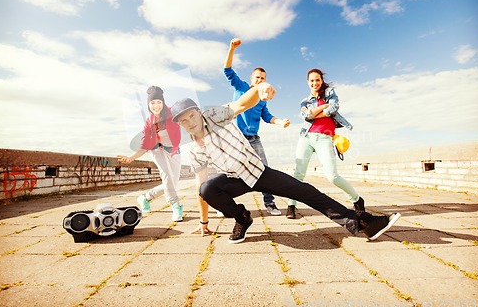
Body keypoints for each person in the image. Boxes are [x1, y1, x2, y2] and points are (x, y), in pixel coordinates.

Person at [170, 82, 401, 244]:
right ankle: (242, 218)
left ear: (198, 113)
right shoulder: (191, 148)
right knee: (207, 188)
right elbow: (201, 187)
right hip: (234, 180)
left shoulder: (214, 115)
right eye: (183, 121)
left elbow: (241, 103)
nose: (189, 122)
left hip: (257, 171)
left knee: (306, 191)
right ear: (180, 124)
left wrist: (260, 88)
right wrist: (203, 221)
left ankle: (363, 224)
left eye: (191, 116)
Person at [286, 69, 365, 219]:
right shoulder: (304, 101)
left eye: (317, 80)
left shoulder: (330, 93)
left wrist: (315, 112)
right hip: (306, 137)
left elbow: (333, 108)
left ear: (321, 80)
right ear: (307, 82)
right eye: (312, 81)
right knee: (298, 174)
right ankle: (291, 206)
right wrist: (323, 107)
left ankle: (357, 200)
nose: (315, 83)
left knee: (332, 176)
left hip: (324, 138)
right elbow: (305, 115)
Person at [223, 38, 290, 216]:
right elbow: (227, 70)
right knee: (230, 171)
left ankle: (270, 203)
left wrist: (280, 121)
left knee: (264, 171)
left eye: (263, 78)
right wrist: (231, 49)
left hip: (254, 140)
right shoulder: (241, 87)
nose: (260, 80)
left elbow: (267, 117)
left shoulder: (262, 100)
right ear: (252, 79)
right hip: (236, 138)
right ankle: (223, 203)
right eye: (257, 77)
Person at [117, 86, 184, 222]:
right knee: (166, 176)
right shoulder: (149, 122)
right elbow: (145, 145)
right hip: (157, 149)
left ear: (163, 102)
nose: (156, 105)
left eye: (159, 102)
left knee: (172, 183)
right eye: (152, 103)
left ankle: (145, 198)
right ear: (148, 105)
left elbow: (187, 117)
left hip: (173, 150)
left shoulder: (173, 112)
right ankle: (176, 205)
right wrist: (131, 158)